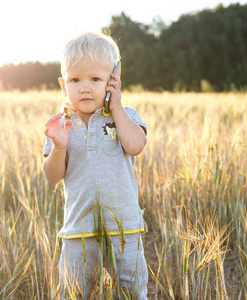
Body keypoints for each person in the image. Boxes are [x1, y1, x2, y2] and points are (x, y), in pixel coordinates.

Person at [42, 31, 148, 299]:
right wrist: (59, 146)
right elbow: (52, 176)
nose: (85, 87)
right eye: (75, 80)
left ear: (113, 80)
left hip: (124, 226)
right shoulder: (60, 125)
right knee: (72, 292)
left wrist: (117, 107)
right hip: (78, 228)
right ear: (63, 86)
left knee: (131, 289)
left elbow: (135, 145)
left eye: (95, 79)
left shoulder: (125, 115)